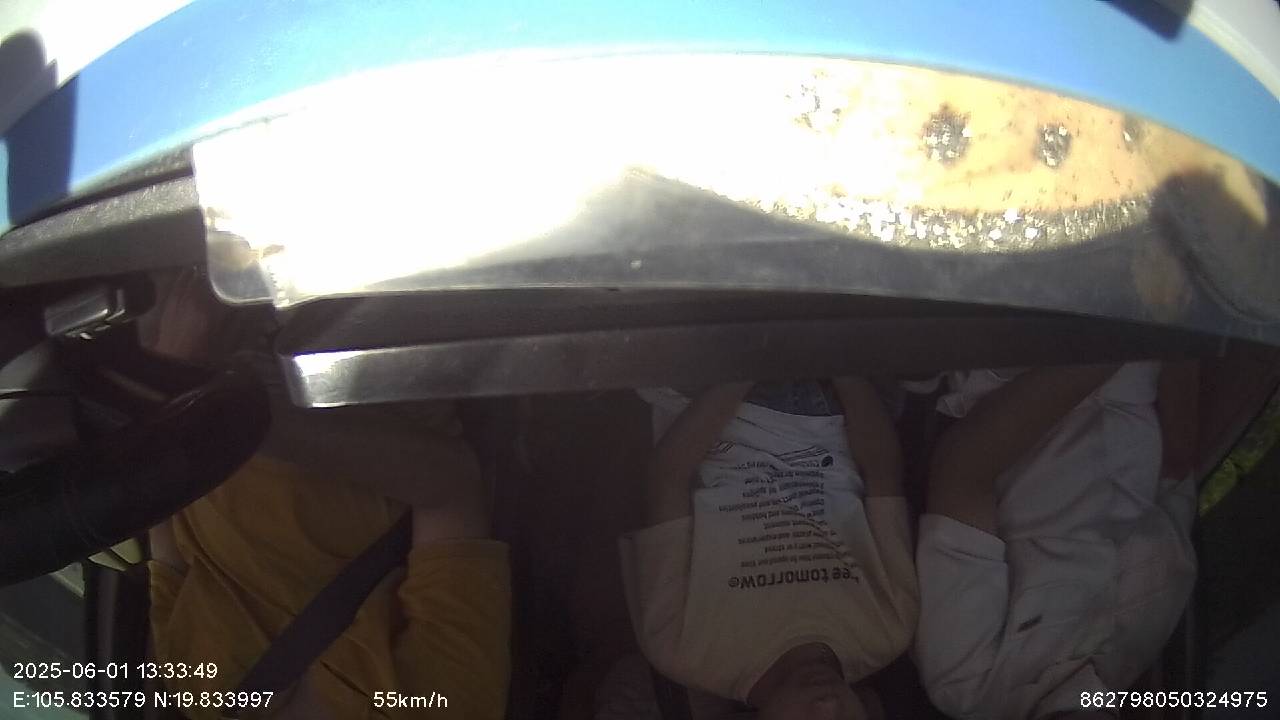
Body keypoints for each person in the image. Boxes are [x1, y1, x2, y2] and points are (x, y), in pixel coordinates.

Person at [140, 267, 512, 719]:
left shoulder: (190, 691)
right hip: (363, 362)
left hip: (198, 372)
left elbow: (159, 513)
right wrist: (231, 416)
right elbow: (453, 486)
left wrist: (169, 380)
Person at [619, 378, 919, 719]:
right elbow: (882, 473)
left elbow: (667, 478)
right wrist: (843, 367)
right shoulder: (888, 629)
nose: (827, 706)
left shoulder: (683, 649)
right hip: (847, 407)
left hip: (714, 405)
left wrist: (744, 371)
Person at [913, 362, 1199, 720]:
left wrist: (1111, 350)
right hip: (1143, 368)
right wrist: (1177, 341)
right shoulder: (1146, 643)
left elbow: (963, 467)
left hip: (1027, 362)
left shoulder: (967, 683)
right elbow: (1177, 468)